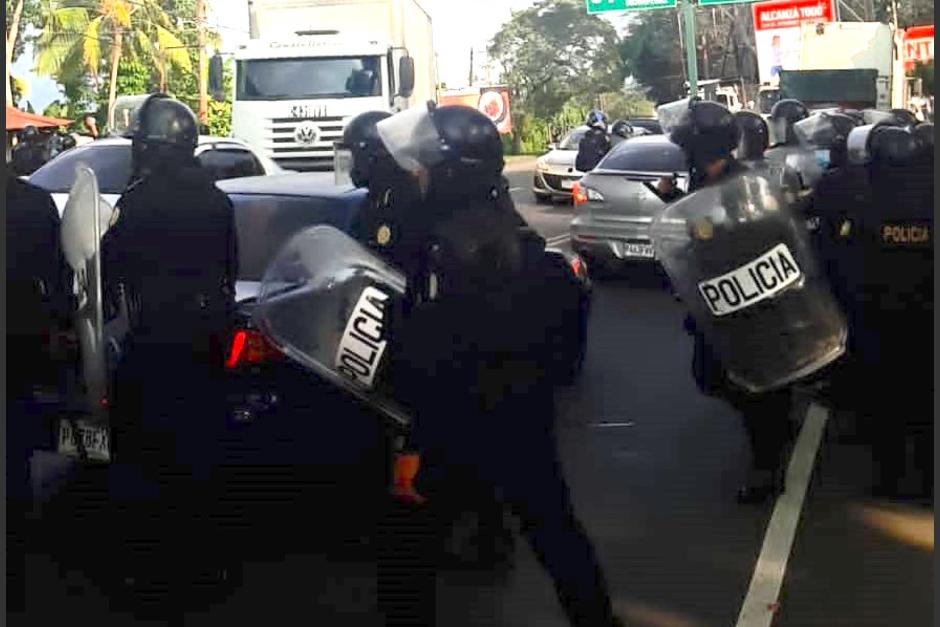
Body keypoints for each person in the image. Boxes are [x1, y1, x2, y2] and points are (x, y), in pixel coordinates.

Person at [343, 104, 622, 627]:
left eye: (424, 165)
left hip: (451, 432)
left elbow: (430, 360)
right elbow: (560, 346)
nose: (416, 174)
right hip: (524, 427)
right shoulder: (518, 241)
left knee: (405, 555)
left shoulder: (445, 254)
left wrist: (413, 445)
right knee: (558, 538)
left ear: (449, 174)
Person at [101, 93, 238, 588]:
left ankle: (149, 567)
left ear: (155, 146)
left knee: (145, 455)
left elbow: (108, 270)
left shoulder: (137, 201)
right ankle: (210, 563)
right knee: (204, 451)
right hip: (208, 343)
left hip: (155, 343)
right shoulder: (217, 199)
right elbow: (229, 270)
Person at [662, 99, 796, 503]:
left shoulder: (737, 187)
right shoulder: (706, 181)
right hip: (722, 302)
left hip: (746, 305)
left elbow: (735, 239)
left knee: (751, 386)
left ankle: (767, 472)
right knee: (718, 377)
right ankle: (774, 429)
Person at [819, 124, 933, 499]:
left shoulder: (865, 204)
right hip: (926, 323)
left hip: (877, 323)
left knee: (884, 407)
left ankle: (889, 480)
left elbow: (845, 261)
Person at [6, 175, 70, 614]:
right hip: (19, 339)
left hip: (22, 337)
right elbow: (59, 276)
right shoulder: (33, 202)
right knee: (14, 449)